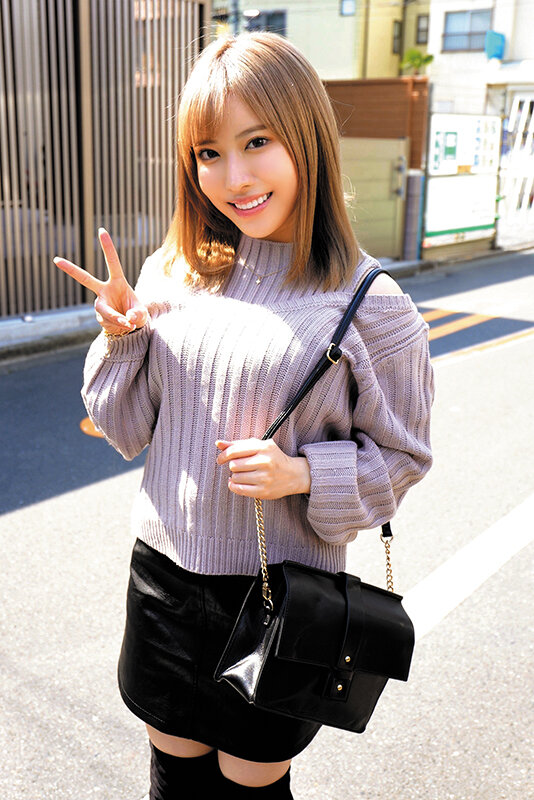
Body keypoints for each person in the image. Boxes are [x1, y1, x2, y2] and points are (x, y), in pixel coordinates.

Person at [54, 32, 433, 800]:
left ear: (306, 137)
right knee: (173, 776)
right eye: (208, 152)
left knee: (249, 786)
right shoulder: (173, 274)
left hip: (280, 598)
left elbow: (405, 457)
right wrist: (122, 338)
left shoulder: (374, 306)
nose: (234, 177)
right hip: (163, 580)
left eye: (256, 142)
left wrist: (303, 474)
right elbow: (124, 430)